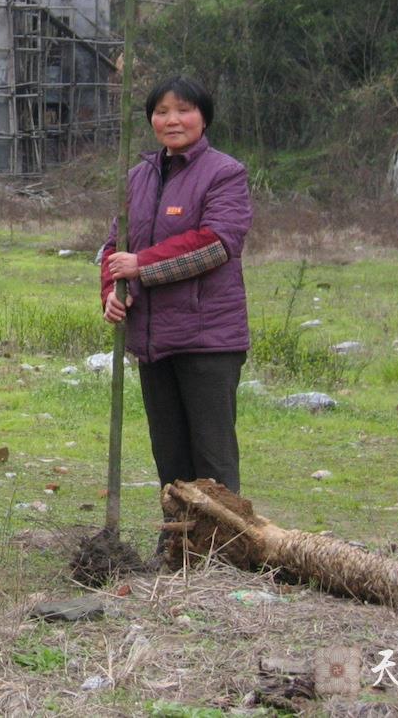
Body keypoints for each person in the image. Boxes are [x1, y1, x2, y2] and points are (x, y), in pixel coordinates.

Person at [101, 75, 252, 500]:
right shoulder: (137, 176)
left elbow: (217, 245)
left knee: (213, 459)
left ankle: (222, 553)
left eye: (184, 110)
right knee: (170, 459)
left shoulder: (225, 173)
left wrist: (142, 266)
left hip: (208, 342)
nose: (173, 120)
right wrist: (113, 293)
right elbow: (116, 244)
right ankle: (177, 551)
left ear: (203, 117)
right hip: (154, 340)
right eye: (162, 111)